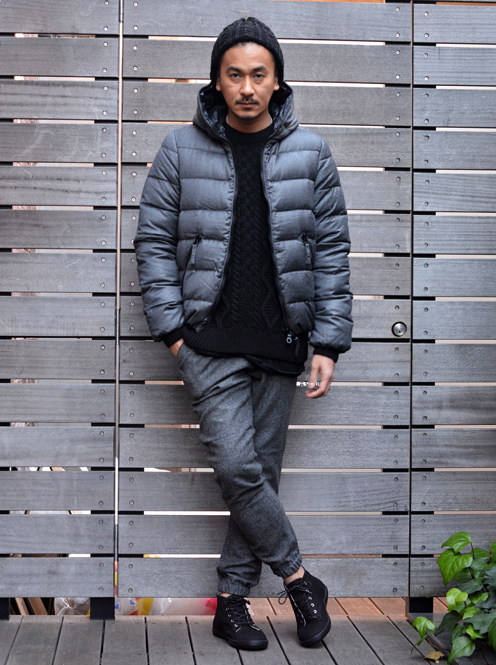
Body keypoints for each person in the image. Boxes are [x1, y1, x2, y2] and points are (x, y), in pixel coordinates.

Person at [135, 16, 352, 651]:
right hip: (208, 344)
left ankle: (231, 603)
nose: (248, 87)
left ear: (278, 81)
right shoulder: (180, 149)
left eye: (259, 74)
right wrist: (174, 333)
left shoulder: (312, 153)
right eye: (235, 75)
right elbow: (152, 243)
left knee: (256, 476)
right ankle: (300, 577)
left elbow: (332, 252)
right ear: (217, 81)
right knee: (238, 466)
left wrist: (328, 343)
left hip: (281, 344)